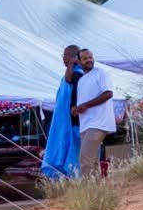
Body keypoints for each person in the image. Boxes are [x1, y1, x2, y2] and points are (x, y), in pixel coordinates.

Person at [40, 44, 84, 181]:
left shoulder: (78, 74)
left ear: (72, 56)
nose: (63, 58)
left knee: (70, 150)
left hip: (71, 123)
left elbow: (69, 80)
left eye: (65, 55)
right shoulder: (70, 73)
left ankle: (73, 178)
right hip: (63, 121)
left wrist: (72, 63)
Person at [71, 47, 116, 178]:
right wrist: (77, 109)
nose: (89, 60)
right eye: (85, 58)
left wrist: (85, 105)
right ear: (79, 62)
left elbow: (108, 93)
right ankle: (98, 191)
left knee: (84, 159)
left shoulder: (101, 73)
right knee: (92, 161)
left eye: (90, 57)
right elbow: (82, 104)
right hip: (85, 124)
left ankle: (88, 190)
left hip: (98, 123)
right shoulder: (81, 80)